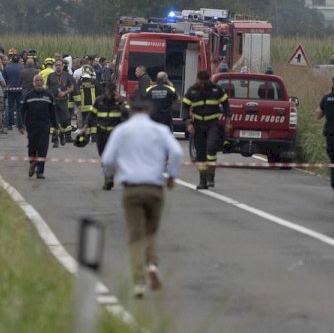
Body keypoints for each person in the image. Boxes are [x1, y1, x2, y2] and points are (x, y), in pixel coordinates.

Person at [101, 94, 182, 297]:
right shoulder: (160, 130)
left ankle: (139, 282)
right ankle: (152, 265)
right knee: (150, 232)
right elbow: (178, 153)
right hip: (155, 188)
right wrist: (171, 176)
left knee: (136, 235)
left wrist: (112, 174)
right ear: (149, 110)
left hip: (132, 189)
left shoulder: (122, 130)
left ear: (130, 110)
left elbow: (108, 159)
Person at [182, 70, 231, 190]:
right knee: (200, 154)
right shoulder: (192, 90)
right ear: (197, 79)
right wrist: (188, 123)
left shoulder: (216, 89)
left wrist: (228, 121)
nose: (203, 85)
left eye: (205, 82)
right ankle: (202, 181)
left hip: (212, 123)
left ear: (208, 80)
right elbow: (185, 107)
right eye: (201, 82)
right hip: (198, 125)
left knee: (211, 147)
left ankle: (211, 177)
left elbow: (225, 104)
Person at [82, 82, 129, 190]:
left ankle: (109, 178)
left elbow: (127, 113)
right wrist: (85, 126)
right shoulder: (99, 101)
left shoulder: (120, 101)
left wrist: (120, 102)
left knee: (112, 156)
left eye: (112, 92)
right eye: (108, 92)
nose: (109, 95)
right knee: (103, 156)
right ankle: (109, 176)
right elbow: (91, 114)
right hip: (101, 132)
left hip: (114, 134)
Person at [20, 74, 58, 179]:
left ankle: (40, 171)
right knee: (32, 147)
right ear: (34, 82)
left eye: (41, 80)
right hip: (32, 126)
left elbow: (53, 112)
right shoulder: (28, 95)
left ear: (43, 82)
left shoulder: (49, 95)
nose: (39, 82)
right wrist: (21, 124)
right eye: (37, 80)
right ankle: (32, 163)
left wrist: (56, 126)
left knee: (43, 149)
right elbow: (22, 110)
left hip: (44, 126)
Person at [46, 59, 76, 147]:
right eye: (57, 65)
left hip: (63, 101)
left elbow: (72, 87)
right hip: (54, 101)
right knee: (54, 121)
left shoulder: (67, 76)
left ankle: (62, 135)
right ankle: (55, 140)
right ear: (55, 66)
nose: (58, 66)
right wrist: (48, 94)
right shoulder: (50, 76)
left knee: (64, 121)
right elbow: (47, 86)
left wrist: (65, 92)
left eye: (60, 65)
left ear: (63, 66)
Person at [3, 54, 24, 132]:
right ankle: (20, 125)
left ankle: (9, 125)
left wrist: (7, 85)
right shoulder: (22, 67)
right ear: (19, 60)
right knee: (19, 108)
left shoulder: (7, 67)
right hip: (20, 90)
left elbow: (4, 78)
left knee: (10, 107)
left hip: (10, 90)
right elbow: (23, 78)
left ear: (11, 59)